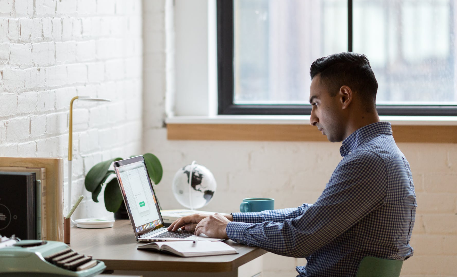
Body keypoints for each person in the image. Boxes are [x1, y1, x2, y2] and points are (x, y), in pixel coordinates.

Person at [168, 52, 416, 277]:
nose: (312, 118)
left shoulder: (368, 161)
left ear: (344, 97)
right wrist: (229, 218)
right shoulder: (383, 155)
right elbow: (309, 216)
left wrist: (229, 230)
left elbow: (300, 238)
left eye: (315, 103)